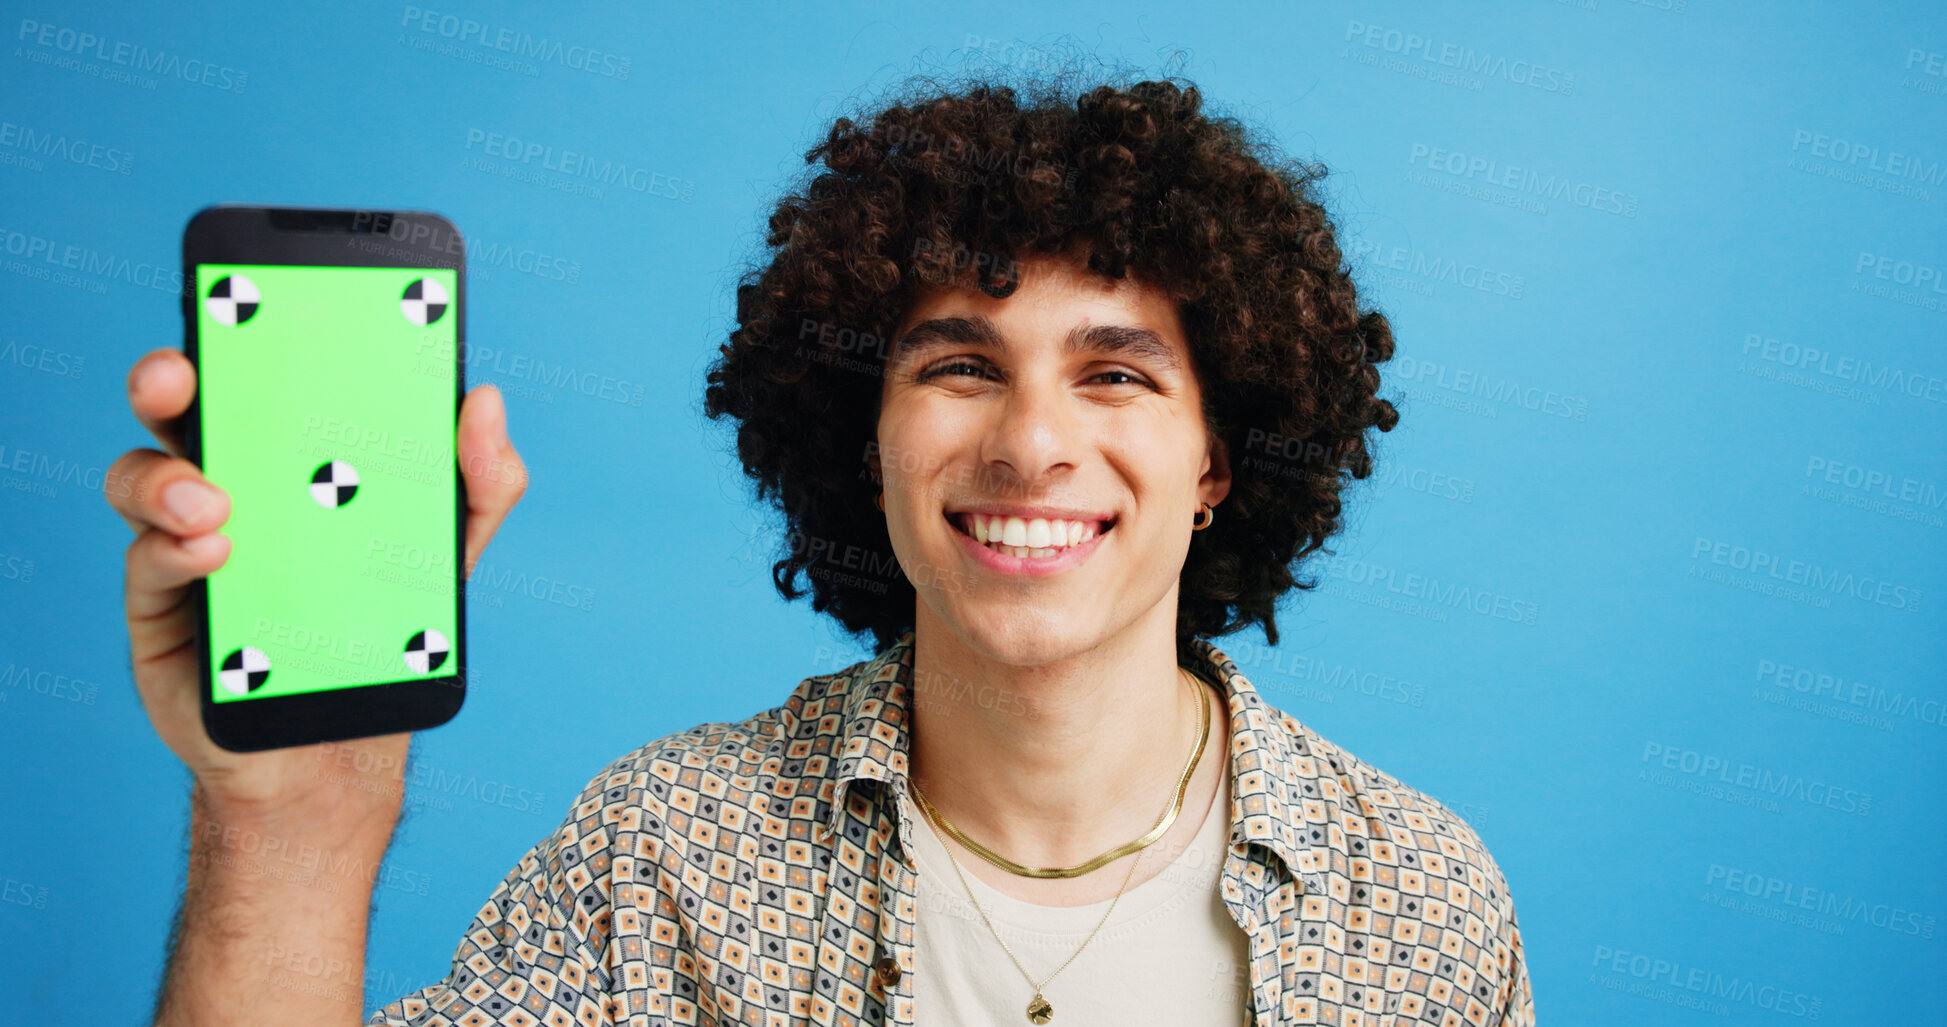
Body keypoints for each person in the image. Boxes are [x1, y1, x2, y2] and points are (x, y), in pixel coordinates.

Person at [120, 76, 1533, 1026]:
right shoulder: (664, 857)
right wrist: (290, 829)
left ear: (1219, 457)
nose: (1031, 443)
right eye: (961, 366)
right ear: (866, 438)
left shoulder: (1415, 900)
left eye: (1115, 376)